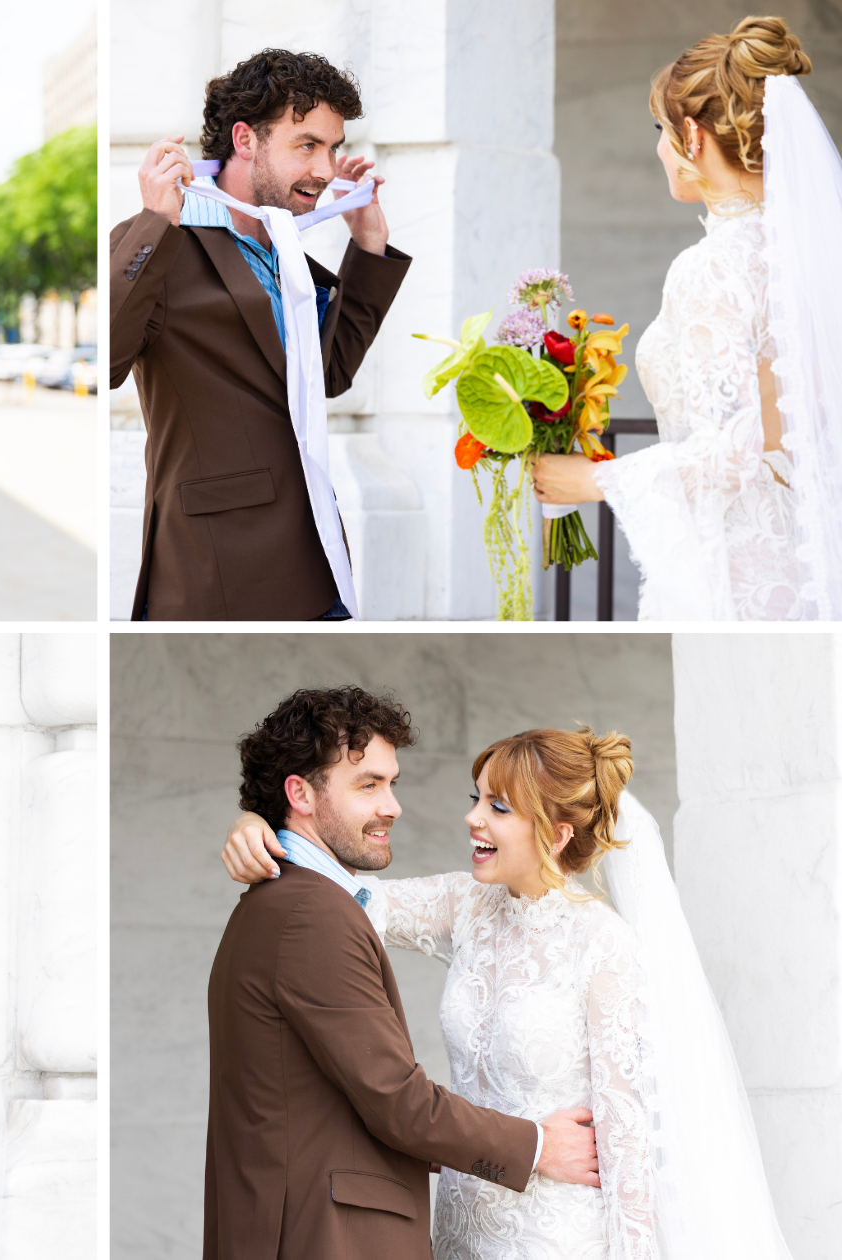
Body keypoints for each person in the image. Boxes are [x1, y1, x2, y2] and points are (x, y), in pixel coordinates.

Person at [217, 718, 795, 1257]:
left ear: (558, 832)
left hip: (555, 1232)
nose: (473, 819)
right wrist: (259, 825)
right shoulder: (467, 906)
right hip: (459, 1226)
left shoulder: (603, 945)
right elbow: (338, 897)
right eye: (476, 799)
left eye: (498, 807)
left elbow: (629, 1148)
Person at [203, 687, 602, 1259]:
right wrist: (539, 1146)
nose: (391, 805)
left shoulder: (307, 900)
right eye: (368, 785)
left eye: (392, 783)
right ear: (300, 794)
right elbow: (397, 1100)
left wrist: (252, 821)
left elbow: (331, 1099)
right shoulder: (308, 913)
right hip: (321, 1238)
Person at [530, 18, 824, 622]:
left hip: (739, 570)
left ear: (691, 136)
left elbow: (738, 451)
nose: (659, 147)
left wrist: (592, 482)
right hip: (806, 551)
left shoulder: (712, 267)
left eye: (660, 130)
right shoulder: (812, 257)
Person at [111, 50, 408, 621]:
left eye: (332, 147)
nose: (325, 168)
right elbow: (107, 361)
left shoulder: (285, 251)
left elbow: (328, 376)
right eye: (307, 145)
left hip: (317, 558)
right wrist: (152, 222)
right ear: (245, 140)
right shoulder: (162, 239)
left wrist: (368, 245)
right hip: (216, 568)